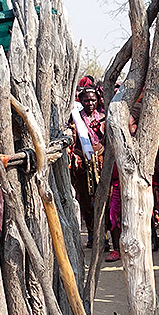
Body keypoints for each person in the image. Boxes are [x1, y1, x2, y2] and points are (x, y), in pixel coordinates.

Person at [71, 83, 105, 247]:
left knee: (103, 199)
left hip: (101, 164)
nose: (90, 104)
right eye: (86, 101)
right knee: (86, 200)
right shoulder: (76, 119)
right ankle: (92, 234)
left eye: (93, 100)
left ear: (98, 100)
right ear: (81, 101)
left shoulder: (104, 117)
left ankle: (104, 235)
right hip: (83, 165)